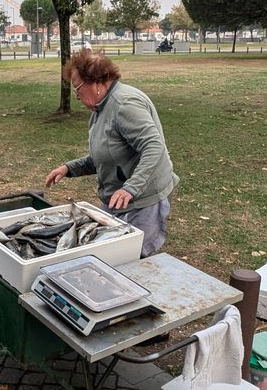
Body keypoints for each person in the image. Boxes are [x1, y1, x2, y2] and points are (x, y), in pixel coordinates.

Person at [45, 49, 178, 256]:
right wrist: (68, 168)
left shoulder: (124, 105)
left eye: (77, 88)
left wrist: (130, 189)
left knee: (130, 256)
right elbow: (107, 156)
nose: (77, 96)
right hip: (118, 198)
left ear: (96, 83)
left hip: (143, 199)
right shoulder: (101, 109)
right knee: (106, 250)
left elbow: (154, 147)